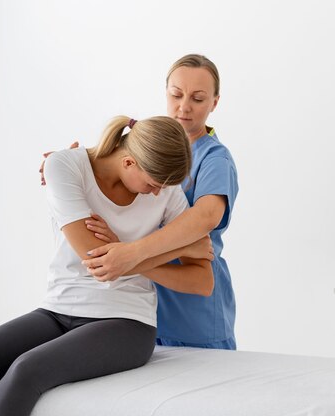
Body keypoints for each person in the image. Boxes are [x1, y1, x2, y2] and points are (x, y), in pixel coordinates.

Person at [0, 116, 214, 416]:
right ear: (129, 163)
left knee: (26, 370)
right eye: (152, 184)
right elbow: (97, 261)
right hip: (57, 310)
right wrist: (180, 245)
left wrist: (130, 255)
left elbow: (203, 280)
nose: (157, 193)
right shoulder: (64, 165)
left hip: (127, 322)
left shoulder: (167, 191)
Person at [81, 54, 239, 350]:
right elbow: (104, 169)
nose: (184, 107)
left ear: (214, 103)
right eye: (176, 94)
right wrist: (65, 162)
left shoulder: (215, 160)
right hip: (139, 309)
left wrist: (133, 253)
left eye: (198, 98)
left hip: (193, 312)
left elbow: (205, 217)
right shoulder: (145, 143)